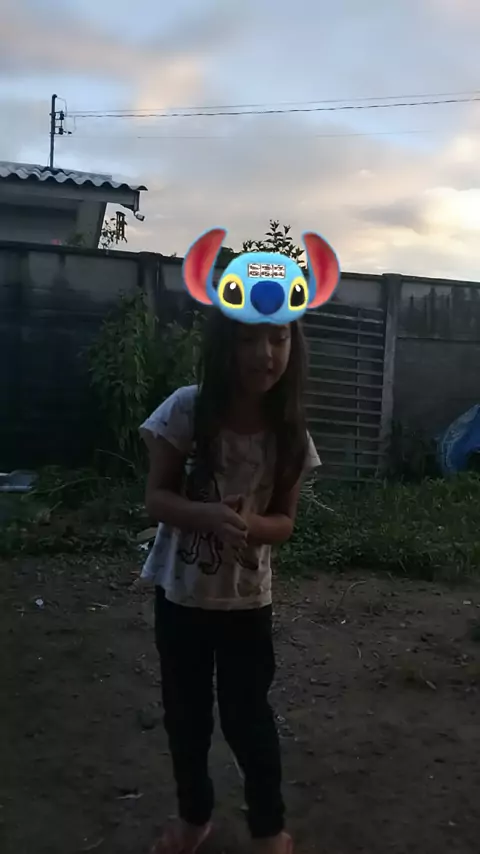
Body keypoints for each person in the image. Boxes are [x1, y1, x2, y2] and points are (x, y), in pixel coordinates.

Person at [139, 310, 320, 854]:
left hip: (247, 603)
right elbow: (156, 499)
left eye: (279, 338)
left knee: (249, 720)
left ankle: (268, 828)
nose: (265, 353)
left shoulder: (289, 431)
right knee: (186, 718)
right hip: (181, 596)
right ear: (224, 344)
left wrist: (249, 524)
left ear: (293, 346)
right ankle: (194, 817)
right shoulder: (186, 410)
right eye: (248, 339)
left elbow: (284, 522)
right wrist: (207, 516)